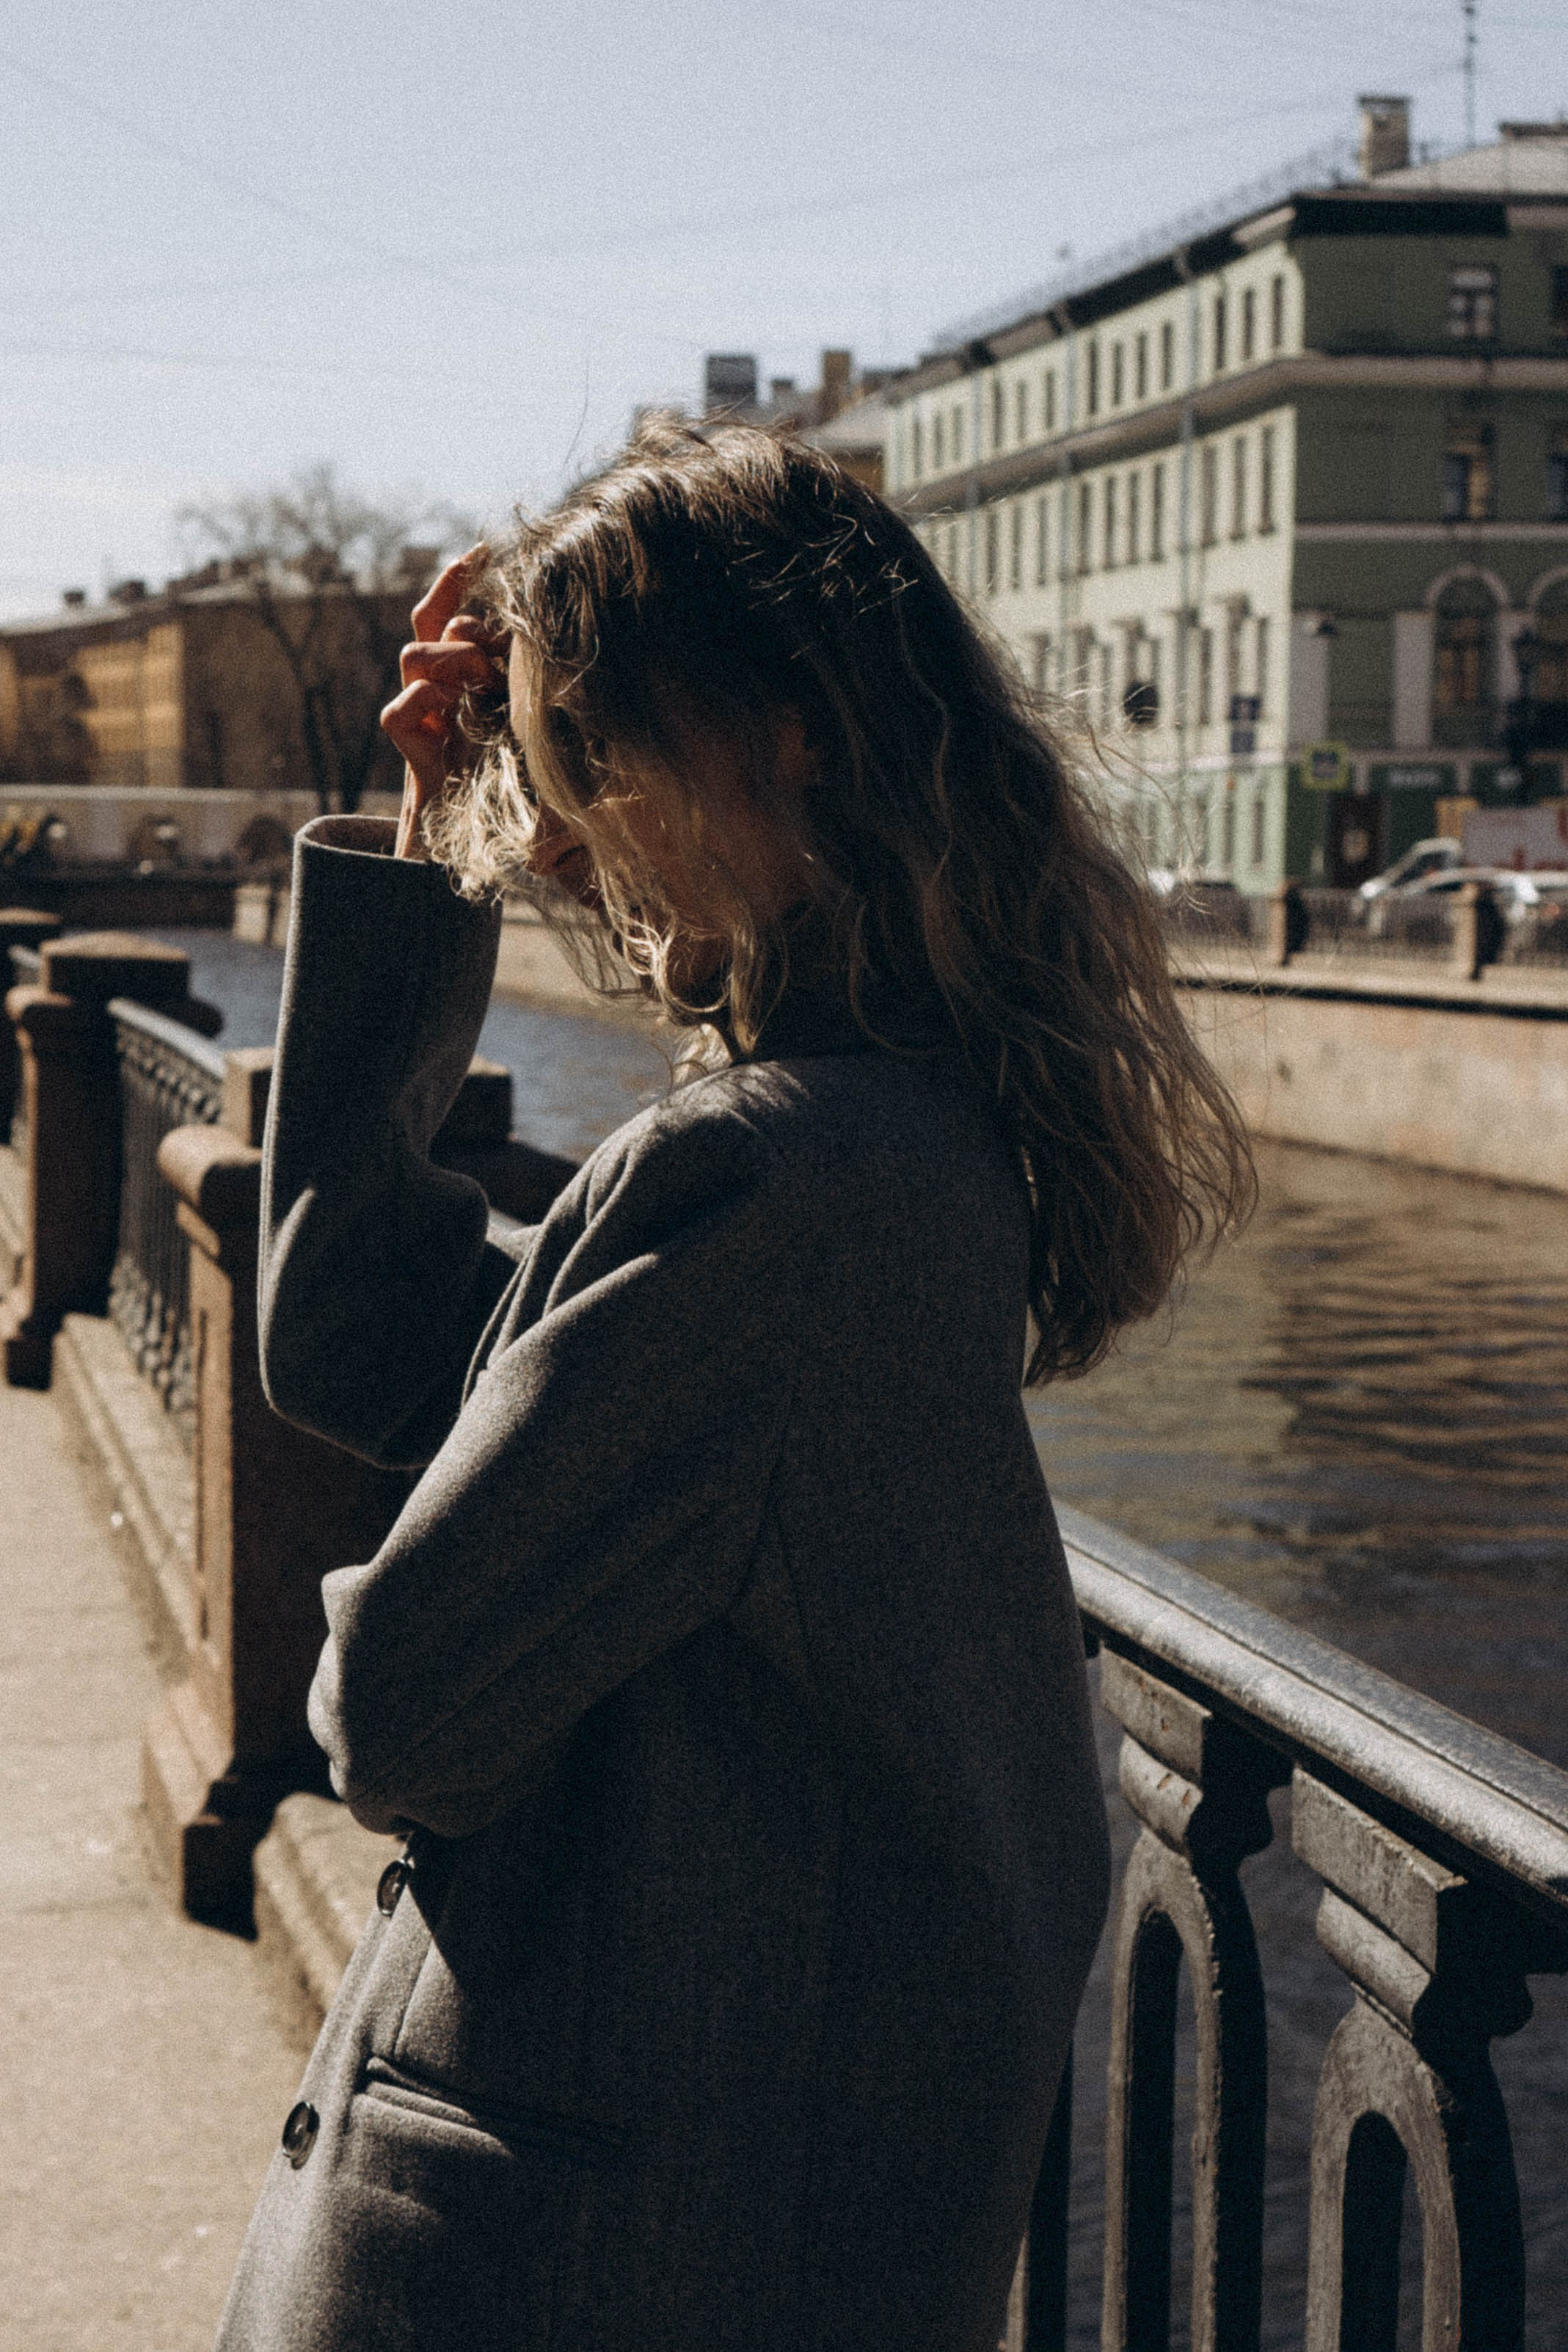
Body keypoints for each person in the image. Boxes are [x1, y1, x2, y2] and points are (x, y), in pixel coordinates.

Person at [214, 419, 1251, 2352]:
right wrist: (435, 829)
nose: (569, 824)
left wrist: (463, 1587)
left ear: (782, 735)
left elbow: (405, 1715)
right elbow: (367, 1343)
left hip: (589, 2265)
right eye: (538, 767)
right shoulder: (897, 1144)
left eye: (581, 757)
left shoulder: (772, 1183)